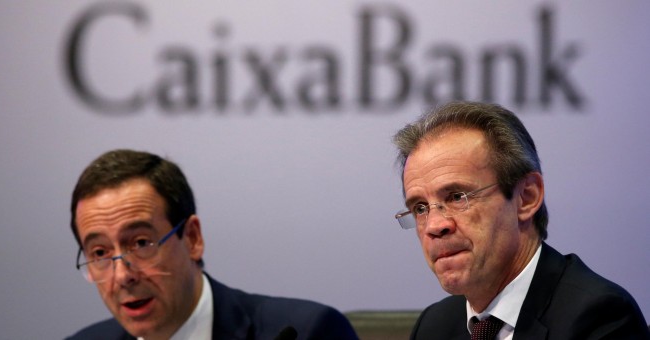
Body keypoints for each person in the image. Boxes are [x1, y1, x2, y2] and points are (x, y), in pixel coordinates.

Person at [392, 102, 649, 339]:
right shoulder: (435, 326)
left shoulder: (599, 319)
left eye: (457, 197)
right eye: (420, 207)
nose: (435, 226)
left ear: (526, 198)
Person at [66, 149, 358, 340]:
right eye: (100, 253)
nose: (122, 276)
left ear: (192, 238)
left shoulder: (307, 332)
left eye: (141, 243)